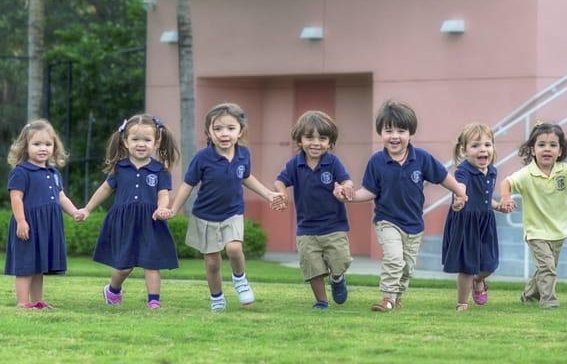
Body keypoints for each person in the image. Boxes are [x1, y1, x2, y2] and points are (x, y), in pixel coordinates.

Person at [335, 100, 467, 312]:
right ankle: (387, 298)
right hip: (387, 221)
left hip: (414, 225)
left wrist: (460, 191)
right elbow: (368, 192)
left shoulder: (421, 158)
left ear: (410, 133)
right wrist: (347, 197)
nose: (395, 136)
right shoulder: (376, 162)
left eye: (401, 130)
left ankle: (396, 297)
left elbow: (443, 177)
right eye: (389, 130)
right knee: (394, 259)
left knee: (406, 269)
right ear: (381, 133)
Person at [164, 103, 284, 312]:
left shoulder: (244, 154)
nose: (224, 133)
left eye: (230, 128)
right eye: (217, 128)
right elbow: (187, 184)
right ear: (208, 132)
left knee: (234, 248)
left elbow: (246, 177)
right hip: (205, 216)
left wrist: (268, 194)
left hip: (233, 213)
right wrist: (174, 209)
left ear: (240, 131)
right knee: (212, 263)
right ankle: (217, 298)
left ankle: (240, 280)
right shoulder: (202, 158)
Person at [78, 114, 180, 309]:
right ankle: (113, 290)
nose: (141, 144)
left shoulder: (160, 170)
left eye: (147, 140)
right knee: (124, 265)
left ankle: (154, 301)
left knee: (151, 263)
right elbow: (105, 189)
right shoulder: (120, 168)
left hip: (151, 222)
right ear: (125, 142)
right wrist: (87, 209)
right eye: (135, 139)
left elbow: (163, 194)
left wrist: (162, 208)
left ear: (156, 142)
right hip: (124, 222)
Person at [274, 111, 354, 310]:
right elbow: (280, 181)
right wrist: (282, 194)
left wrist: (345, 188)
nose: (315, 143)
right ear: (300, 140)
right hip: (306, 228)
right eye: (309, 137)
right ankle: (321, 301)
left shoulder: (333, 162)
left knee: (340, 261)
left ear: (330, 143)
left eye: (322, 138)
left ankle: (337, 279)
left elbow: (346, 180)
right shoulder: (295, 164)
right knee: (312, 268)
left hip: (334, 226)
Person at [5, 119, 82, 309]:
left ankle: (37, 302)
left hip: (48, 225)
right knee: (26, 264)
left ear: (54, 147)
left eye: (48, 144)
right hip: (29, 224)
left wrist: (74, 212)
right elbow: (16, 198)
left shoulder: (54, 173)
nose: (43, 148)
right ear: (25, 146)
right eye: (37, 144)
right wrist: (21, 221)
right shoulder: (21, 172)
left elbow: (61, 196)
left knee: (39, 264)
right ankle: (23, 303)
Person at [500, 122, 567, 309]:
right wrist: (505, 198)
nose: (547, 149)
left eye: (553, 145)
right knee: (548, 268)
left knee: (545, 269)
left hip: (558, 231)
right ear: (532, 150)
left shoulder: (564, 171)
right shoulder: (527, 174)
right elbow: (506, 182)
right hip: (536, 232)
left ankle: (529, 295)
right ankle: (548, 300)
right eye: (541, 145)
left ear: (560, 150)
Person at [442, 123, 510, 312]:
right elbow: (461, 187)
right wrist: (459, 198)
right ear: (464, 150)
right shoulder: (463, 170)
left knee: (490, 263)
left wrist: (499, 206)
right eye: (476, 146)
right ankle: (462, 302)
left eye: (487, 145)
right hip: (466, 222)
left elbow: (486, 198)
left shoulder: (492, 171)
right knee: (467, 266)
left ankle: (479, 280)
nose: (483, 150)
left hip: (485, 221)